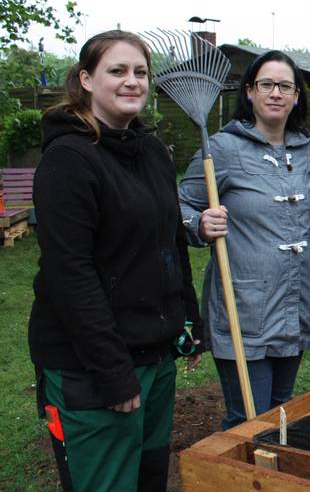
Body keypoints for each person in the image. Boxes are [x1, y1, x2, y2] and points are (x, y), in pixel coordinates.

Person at [29, 30, 203, 491]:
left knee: (148, 479)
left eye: (141, 72)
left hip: (154, 355)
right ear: (86, 79)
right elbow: (71, 276)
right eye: (117, 71)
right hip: (91, 367)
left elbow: (170, 242)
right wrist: (111, 373)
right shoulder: (68, 160)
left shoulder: (150, 152)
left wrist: (187, 317)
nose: (133, 82)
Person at [179, 50, 310, 429]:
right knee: (249, 418)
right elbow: (176, 204)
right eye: (266, 84)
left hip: (293, 300)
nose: (275, 93)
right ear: (249, 92)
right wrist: (199, 223)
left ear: (297, 96)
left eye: (285, 86)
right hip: (244, 305)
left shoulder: (305, 151)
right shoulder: (222, 149)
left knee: (282, 412)